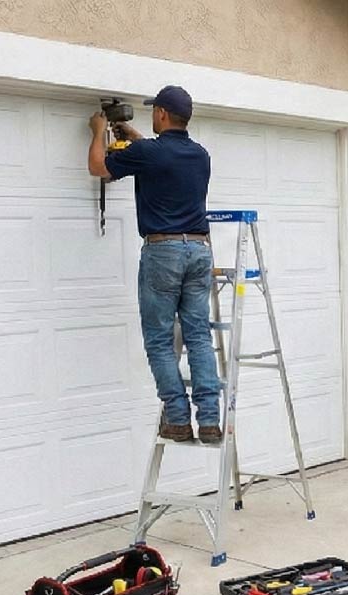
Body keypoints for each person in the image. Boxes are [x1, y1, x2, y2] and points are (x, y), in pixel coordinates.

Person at [88, 85, 220, 444]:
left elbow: (98, 167)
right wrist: (136, 140)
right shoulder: (200, 155)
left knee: (160, 340)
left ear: (161, 113)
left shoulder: (148, 153)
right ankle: (210, 419)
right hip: (199, 249)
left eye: (153, 111)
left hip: (163, 252)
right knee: (198, 335)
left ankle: (177, 419)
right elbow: (163, 159)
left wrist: (98, 130)